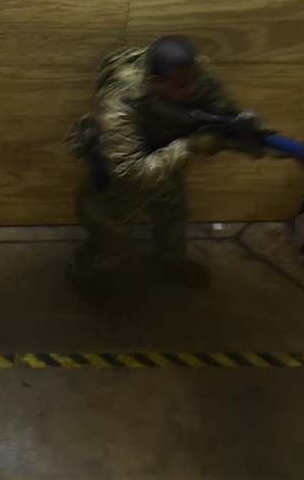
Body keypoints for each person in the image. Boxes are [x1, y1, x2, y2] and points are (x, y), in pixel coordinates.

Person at [65, 35, 273, 302]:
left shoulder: (195, 73)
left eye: (195, 80)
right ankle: (83, 274)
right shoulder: (120, 101)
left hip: (165, 165)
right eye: (184, 86)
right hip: (119, 180)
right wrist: (190, 147)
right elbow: (131, 174)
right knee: (110, 239)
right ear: (155, 82)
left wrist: (248, 134)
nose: (193, 90)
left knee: (174, 220)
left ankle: (170, 264)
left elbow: (223, 118)